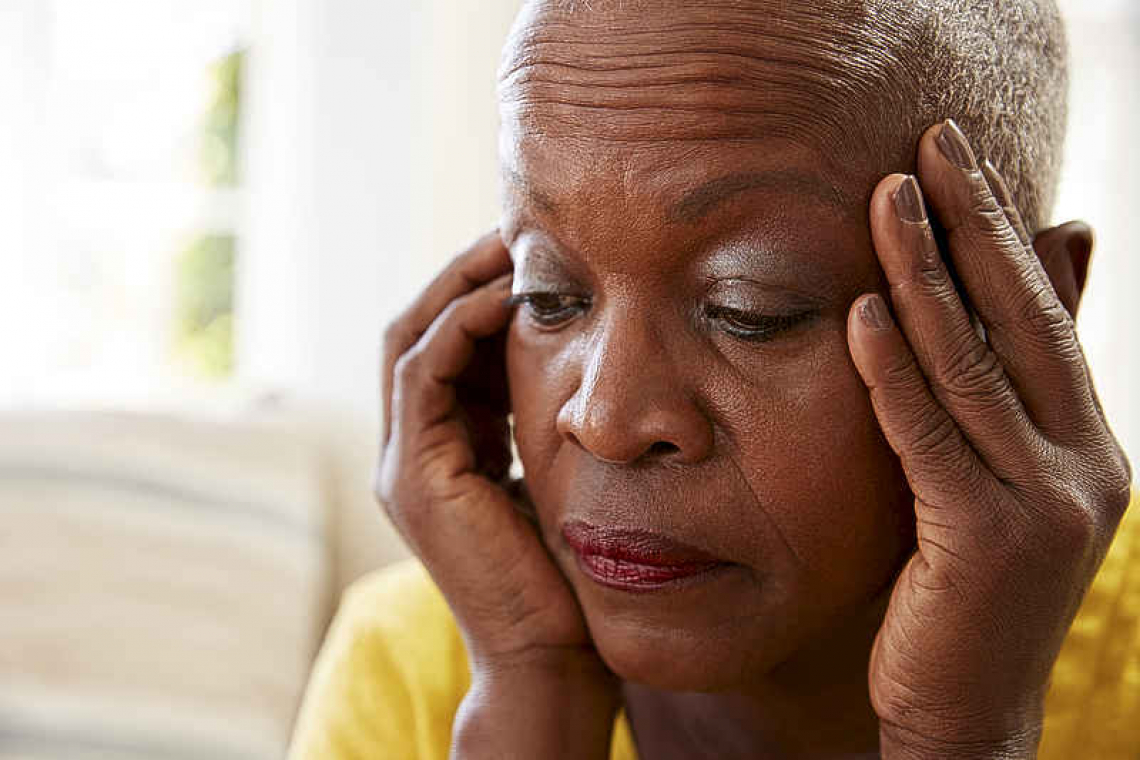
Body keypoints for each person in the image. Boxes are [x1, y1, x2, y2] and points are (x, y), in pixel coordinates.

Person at [289, 1, 1136, 757]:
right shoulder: (416, 669)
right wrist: (533, 697)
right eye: (549, 295)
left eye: (748, 307)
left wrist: (961, 741)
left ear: (1031, 307)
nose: (606, 418)